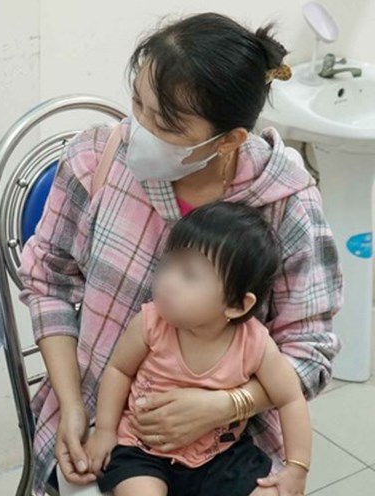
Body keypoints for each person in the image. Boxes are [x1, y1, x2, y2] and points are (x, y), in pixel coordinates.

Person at [19, 13, 342, 495]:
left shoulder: (286, 205)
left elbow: (309, 351)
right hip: (99, 420)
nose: (139, 131)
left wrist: (228, 404)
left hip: (231, 442)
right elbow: (49, 282)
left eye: (167, 123)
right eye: (138, 104)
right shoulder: (96, 159)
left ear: (230, 139)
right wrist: (73, 407)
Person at [85, 202, 311, 496]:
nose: (168, 281)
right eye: (167, 265)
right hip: (143, 451)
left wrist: (297, 466)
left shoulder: (254, 343)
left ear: (237, 305)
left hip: (222, 456)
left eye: (189, 275)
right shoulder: (151, 323)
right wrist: (104, 430)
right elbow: (118, 370)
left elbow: (291, 398)